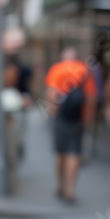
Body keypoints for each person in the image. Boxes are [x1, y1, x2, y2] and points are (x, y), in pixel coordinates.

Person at [44, 47, 96, 204]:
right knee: (74, 151)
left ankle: (60, 185)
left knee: (61, 152)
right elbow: (91, 97)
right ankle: (70, 190)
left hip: (60, 117)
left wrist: (52, 112)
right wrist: (89, 118)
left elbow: (51, 94)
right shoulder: (84, 70)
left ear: (63, 57)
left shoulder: (57, 69)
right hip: (77, 117)